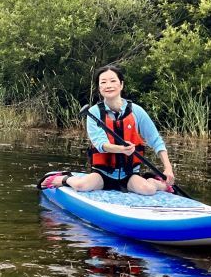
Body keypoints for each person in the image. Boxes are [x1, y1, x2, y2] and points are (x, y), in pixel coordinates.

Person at [40, 65, 175, 195]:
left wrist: (168, 168)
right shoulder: (93, 113)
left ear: (121, 84)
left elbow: (156, 140)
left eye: (113, 81)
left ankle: (157, 182)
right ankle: (63, 178)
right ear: (99, 88)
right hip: (102, 173)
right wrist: (122, 149)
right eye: (103, 82)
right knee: (81, 186)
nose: (108, 85)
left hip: (129, 174)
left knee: (148, 190)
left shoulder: (137, 111)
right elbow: (100, 145)